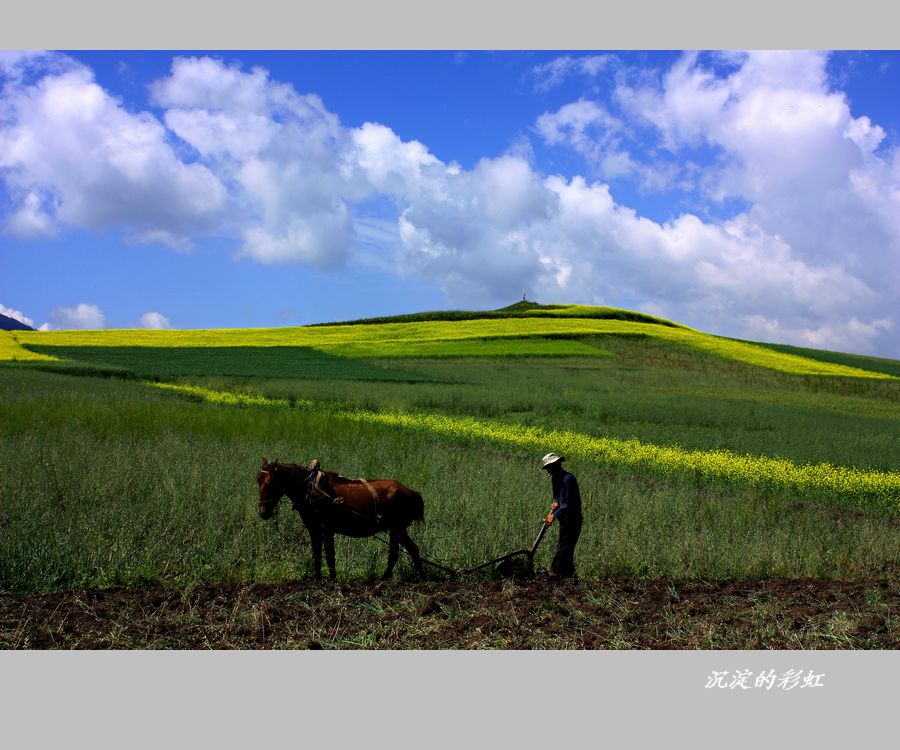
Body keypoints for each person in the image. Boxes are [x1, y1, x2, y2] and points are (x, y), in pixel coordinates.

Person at [540, 452, 583, 580]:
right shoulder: (555, 479)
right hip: (563, 519)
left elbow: (566, 505)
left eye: (549, 468)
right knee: (566, 546)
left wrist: (554, 515)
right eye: (547, 469)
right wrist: (554, 507)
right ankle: (571, 576)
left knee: (564, 545)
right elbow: (558, 500)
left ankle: (555, 572)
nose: (548, 471)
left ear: (557, 465)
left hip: (573, 518)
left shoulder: (568, 479)